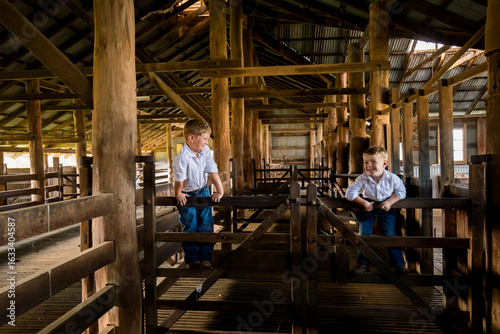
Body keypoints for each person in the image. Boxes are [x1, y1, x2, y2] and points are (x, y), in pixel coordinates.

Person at [345, 145, 410, 276]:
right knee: (364, 235)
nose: (369, 165)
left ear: (384, 163)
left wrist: (390, 202)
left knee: (390, 234)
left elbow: (402, 191)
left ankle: (399, 264)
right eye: (366, 162)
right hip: (367, 207)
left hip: (386, 208)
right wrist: (364, 203)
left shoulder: (392, 178)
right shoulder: (363, 178)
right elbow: (349, 193)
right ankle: (363, 264)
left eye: (373, 162)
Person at [173, 119, 224, 269]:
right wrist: (178, 194)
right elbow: (179, 180)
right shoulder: (182, 158)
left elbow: (212, 171)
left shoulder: (205, 151)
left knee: (206, 223)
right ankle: (192, 259)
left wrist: (219, 191)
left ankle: (206, 257)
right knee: (191, 224)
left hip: (202, 190)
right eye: (205, 139)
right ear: (191, 138)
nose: (207, 143)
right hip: (187, 193)